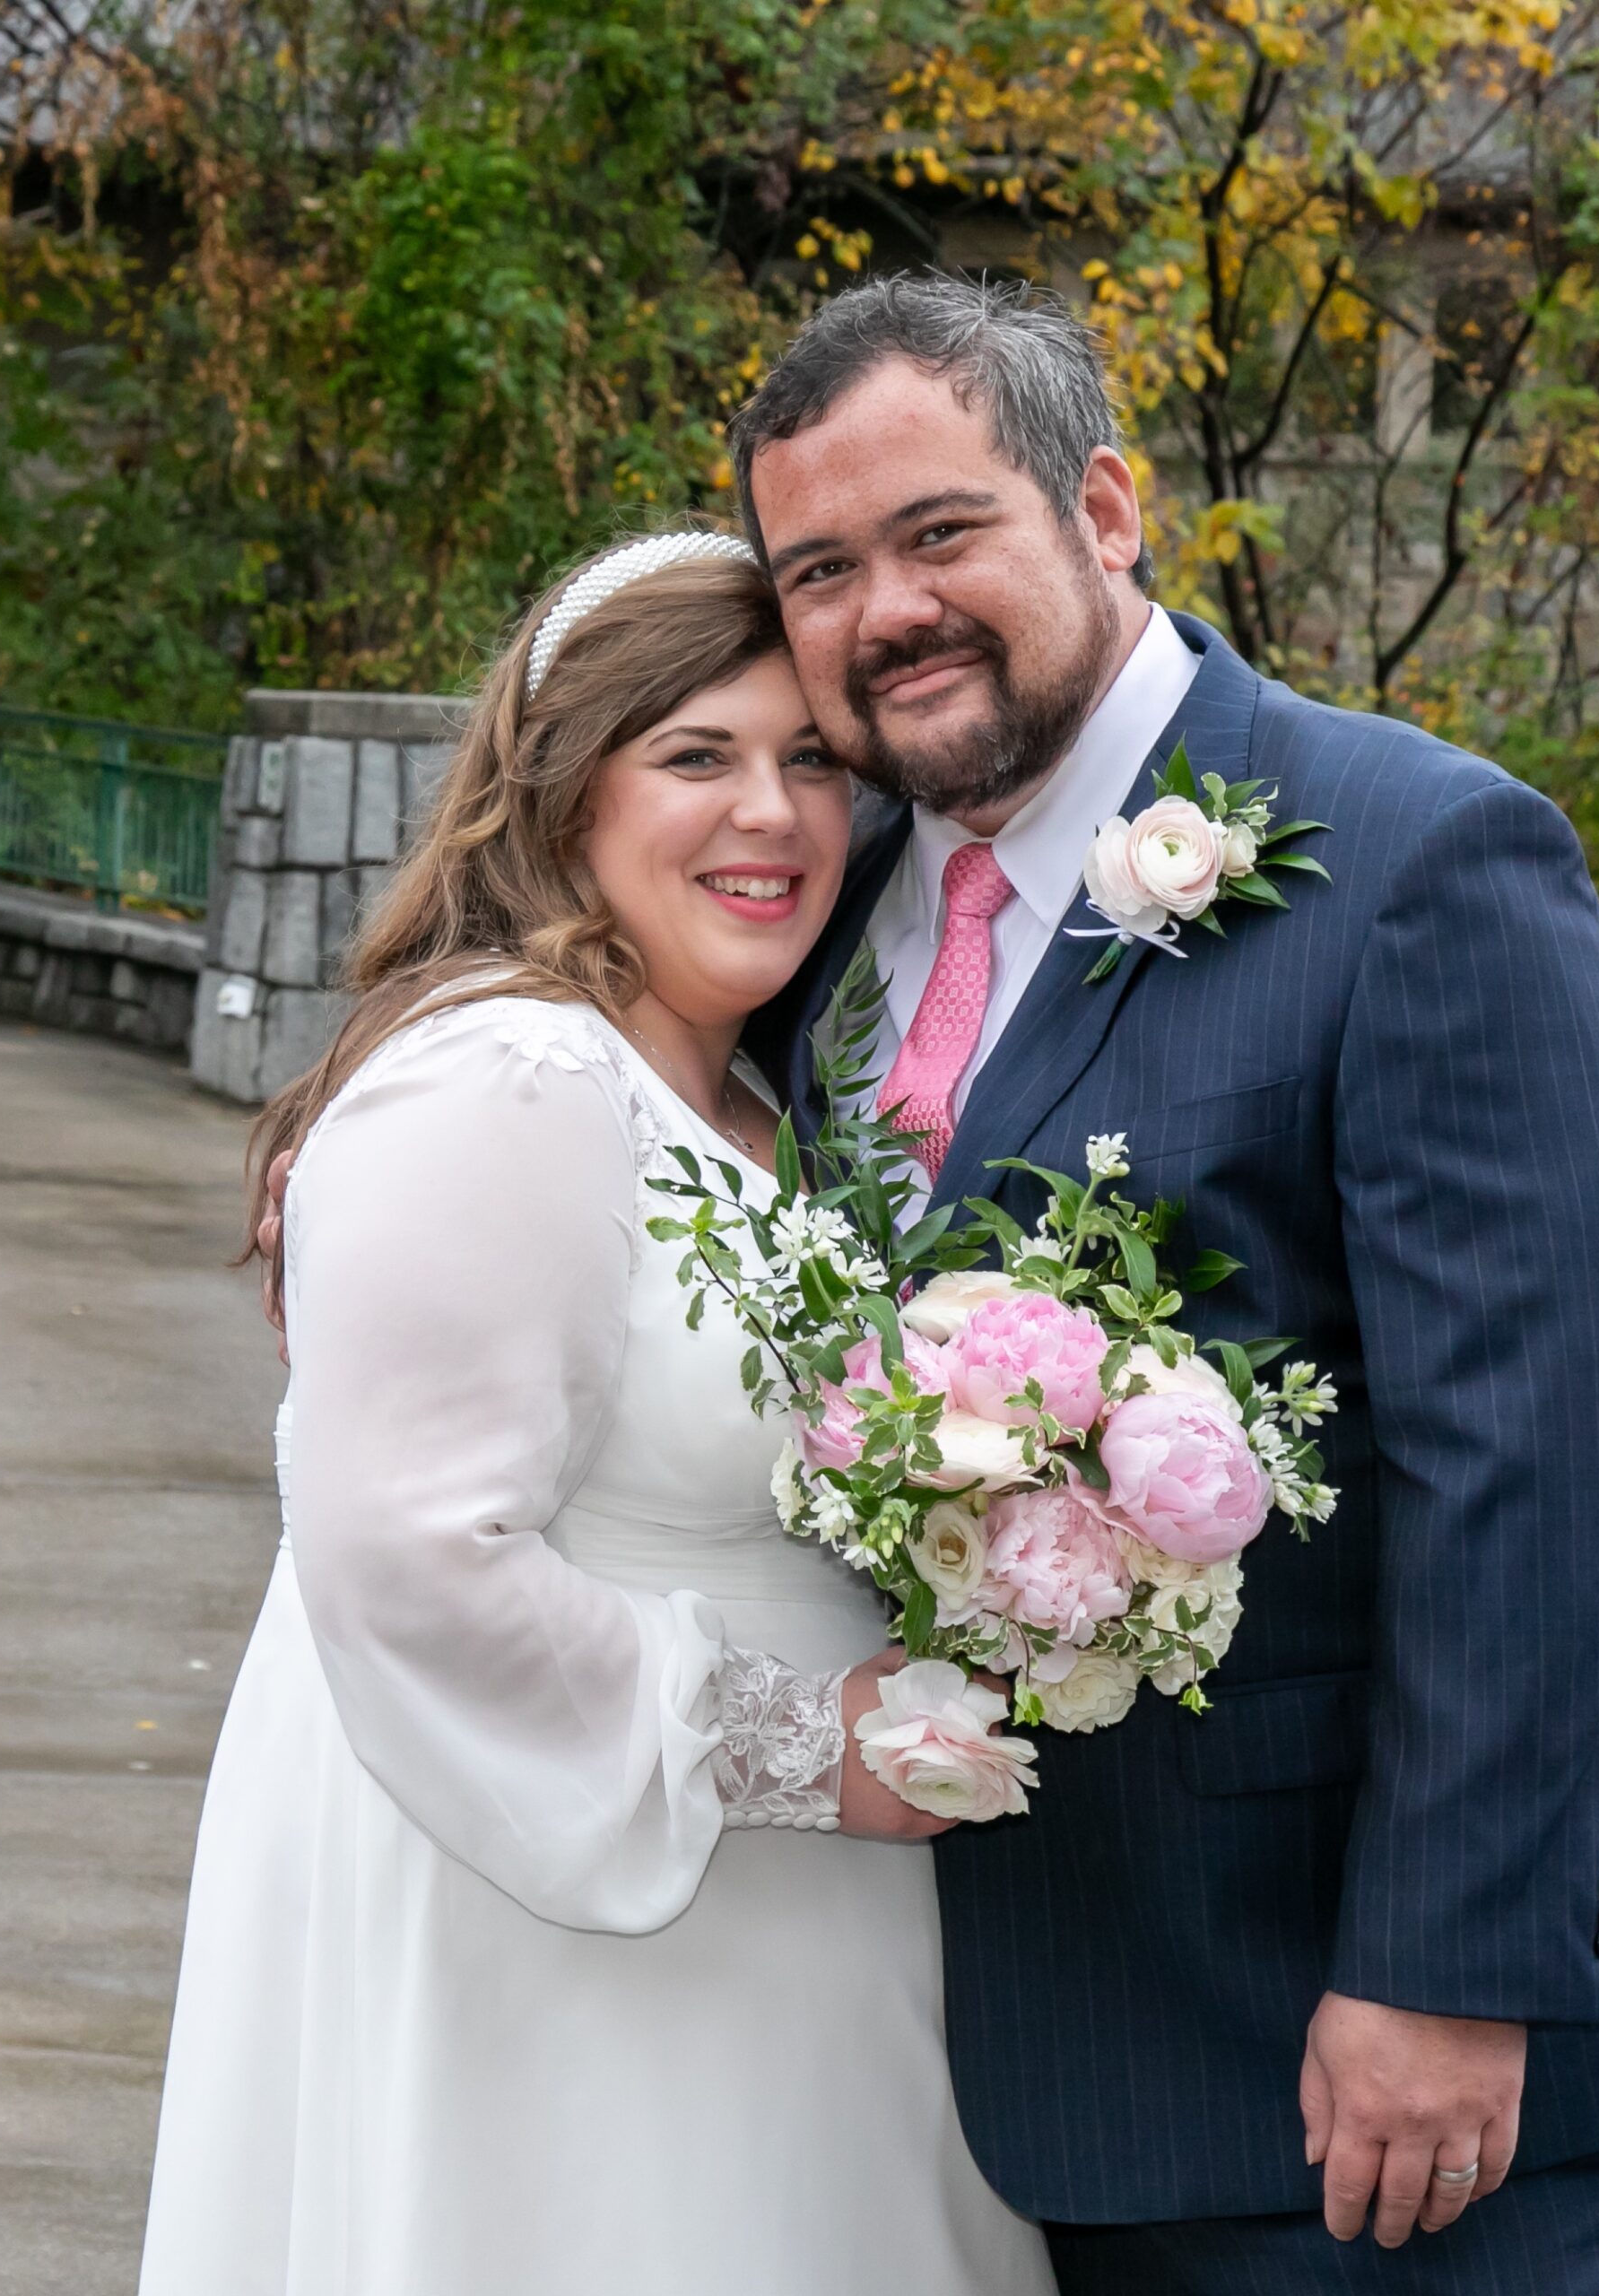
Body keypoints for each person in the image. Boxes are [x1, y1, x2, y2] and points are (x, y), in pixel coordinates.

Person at [718, 274, 1599, 2290]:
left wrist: (1442, 1966)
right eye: (817, 570)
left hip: (1430, 2095)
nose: (883, 610)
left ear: (1103, 509)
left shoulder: (1417, 857)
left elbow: (1535, 1469)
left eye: (939, 531)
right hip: (1060, 2073)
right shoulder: (823, 896)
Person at [137, 533, 1056, 2296]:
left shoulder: (753, 1105)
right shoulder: (505, 1074)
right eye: (696, 755)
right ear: (561, 794)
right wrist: (806, 1749)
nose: (769, 813)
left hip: (792, 1926)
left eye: (809, 762)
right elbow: (405, 1552)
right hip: (560, 1899)